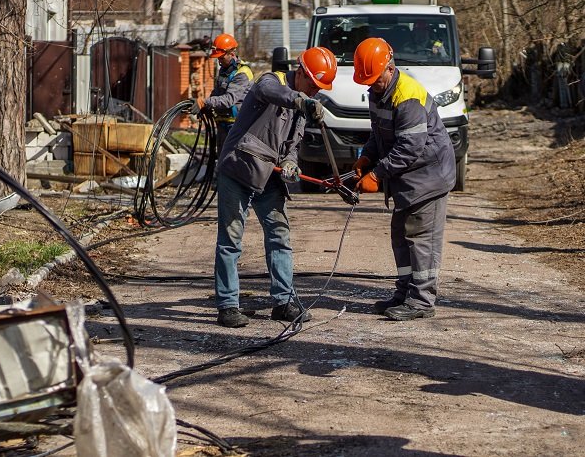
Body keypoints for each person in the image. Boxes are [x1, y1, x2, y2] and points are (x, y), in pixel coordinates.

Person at [212, 46, 338, 328]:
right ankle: (228, 305)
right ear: (302, 72)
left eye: (320, 89)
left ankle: (283, 302)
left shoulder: (303, 108)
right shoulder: (271, 81)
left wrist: (292, 163)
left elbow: (293, 145)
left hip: (269, 175)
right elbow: (273, 93)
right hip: (238, 169)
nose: (316, 92)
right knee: (231, 241)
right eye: (314, 85)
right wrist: (300, 100)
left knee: (280, 236)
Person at [352, 37, 455, 321]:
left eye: (375, 79)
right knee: (401, 234)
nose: (372, 85)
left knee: (420, 237)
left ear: (389, 67)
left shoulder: (407, 95)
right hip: (410, 176)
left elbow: (410, 147)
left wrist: (376, 174)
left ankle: (422, 300)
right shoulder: (378, 91)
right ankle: (405, 293)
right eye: (368, 81)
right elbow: (378, 133)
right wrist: (366, 157)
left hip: (429, 175)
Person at [194, 33, 254, 151]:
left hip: (237, 125)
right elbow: (217, 92)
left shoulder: (242, 73)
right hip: (223, 123)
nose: (220, 62)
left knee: (231, 162)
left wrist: (205, 102)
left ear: (231, 54)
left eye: (222, 58)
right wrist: (206, 106)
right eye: (218, 59)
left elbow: (228, 100)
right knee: (221, 160)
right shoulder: (224, 70)